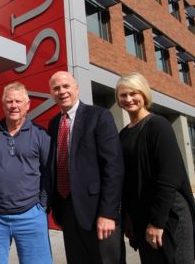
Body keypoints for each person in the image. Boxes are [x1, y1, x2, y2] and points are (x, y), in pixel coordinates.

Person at [115, 72, 195, 264]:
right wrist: (128, 217)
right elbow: (128, 181)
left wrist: (157, 222)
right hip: (141, 218)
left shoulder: (158, 125)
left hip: (169, 216)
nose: (128, 99)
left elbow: (169, 178)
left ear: (144, 94)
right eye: (123, 95)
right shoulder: (123, 134)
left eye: (133, 93)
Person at [48, 71, 124, 264]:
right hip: (67, 211)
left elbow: (113, 168)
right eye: (56, 88)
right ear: (51, 93)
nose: (62, 91)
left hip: (98, 212)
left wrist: (108, 213)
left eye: (66, 86)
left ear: (76, 88)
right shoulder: (54, 123)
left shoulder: (99, 116)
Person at [0, 82, 52, 264]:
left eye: (18, 101)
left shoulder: (40, 134)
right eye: (9, 101)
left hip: (31, 214)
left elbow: (48, 172)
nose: (14, 105)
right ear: (3, 105)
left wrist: (42, 205)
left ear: (27, 104)